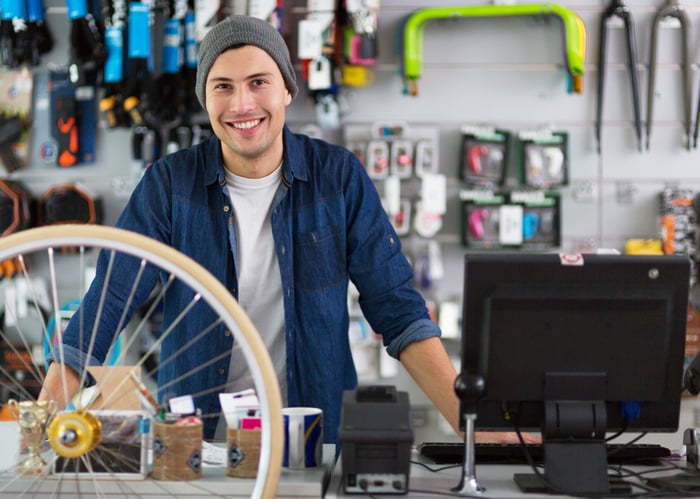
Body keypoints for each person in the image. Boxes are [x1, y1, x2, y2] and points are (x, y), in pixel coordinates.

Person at [39, 15, 521, 445]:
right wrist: (44, 414)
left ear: (287, 89)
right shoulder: (169, 183)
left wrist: (468, 421)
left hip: (313, 434)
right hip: (197, 442)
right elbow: (111, 298)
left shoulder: (338, 177)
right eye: (222, 86)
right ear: (206, 98)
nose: (241, 103)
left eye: (258, 82)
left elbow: (396, 307)